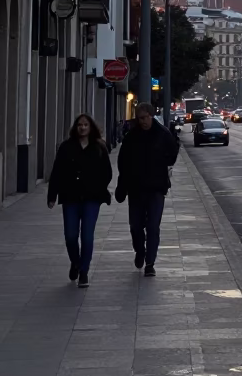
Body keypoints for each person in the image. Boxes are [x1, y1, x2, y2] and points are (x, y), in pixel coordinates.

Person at [47, 114, 113, 288]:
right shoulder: (66, 147)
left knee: (87, 235)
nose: (82, 128)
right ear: (75, 128)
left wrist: (99, 188)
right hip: (71, 197)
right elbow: (57, 171)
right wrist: (52, 195)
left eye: (85, 125)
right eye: (79, 125)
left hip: (92, 198)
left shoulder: (99, 147)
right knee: (70, 236)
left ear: (91, 127)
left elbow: (107, 172)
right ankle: (75, 262)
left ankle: (84, 271)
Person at [115, 102, 180, 276]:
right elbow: (123, 161)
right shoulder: (132, 136)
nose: (142, 121)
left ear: (151, 116)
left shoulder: (163, 134)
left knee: (152, 226)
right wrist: (123, 183)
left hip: (156, 188)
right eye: (139, 118)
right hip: (136, 189)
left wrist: (162, 166)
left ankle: (150, 262)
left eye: (144, 117)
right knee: (136, 226)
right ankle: (140, 251)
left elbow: (173, 153)